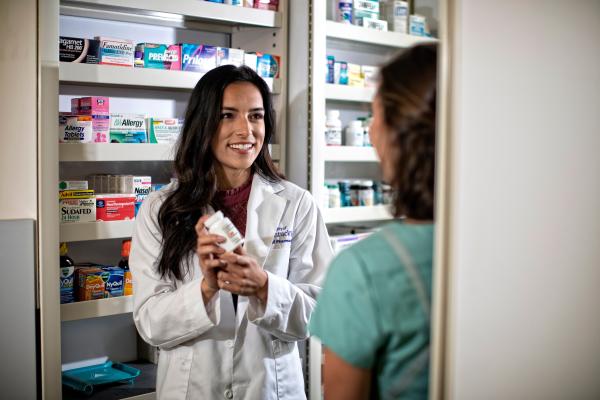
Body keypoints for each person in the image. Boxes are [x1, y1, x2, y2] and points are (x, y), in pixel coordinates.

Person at [130, 65, 333, 400]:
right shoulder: (159, 210)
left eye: (256, 116)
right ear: (203, 124)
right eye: (227, 115)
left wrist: (266, 287)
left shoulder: (297, 204)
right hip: (194, 389)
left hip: (269, 388)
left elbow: (321, 313)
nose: (246, 130)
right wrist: (207, 288)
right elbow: (151, 324)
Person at [309, 43, 438, 400]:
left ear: (397, 136)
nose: (370, 131)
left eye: (375, 116)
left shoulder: (364, 269)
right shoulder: (512, 243)